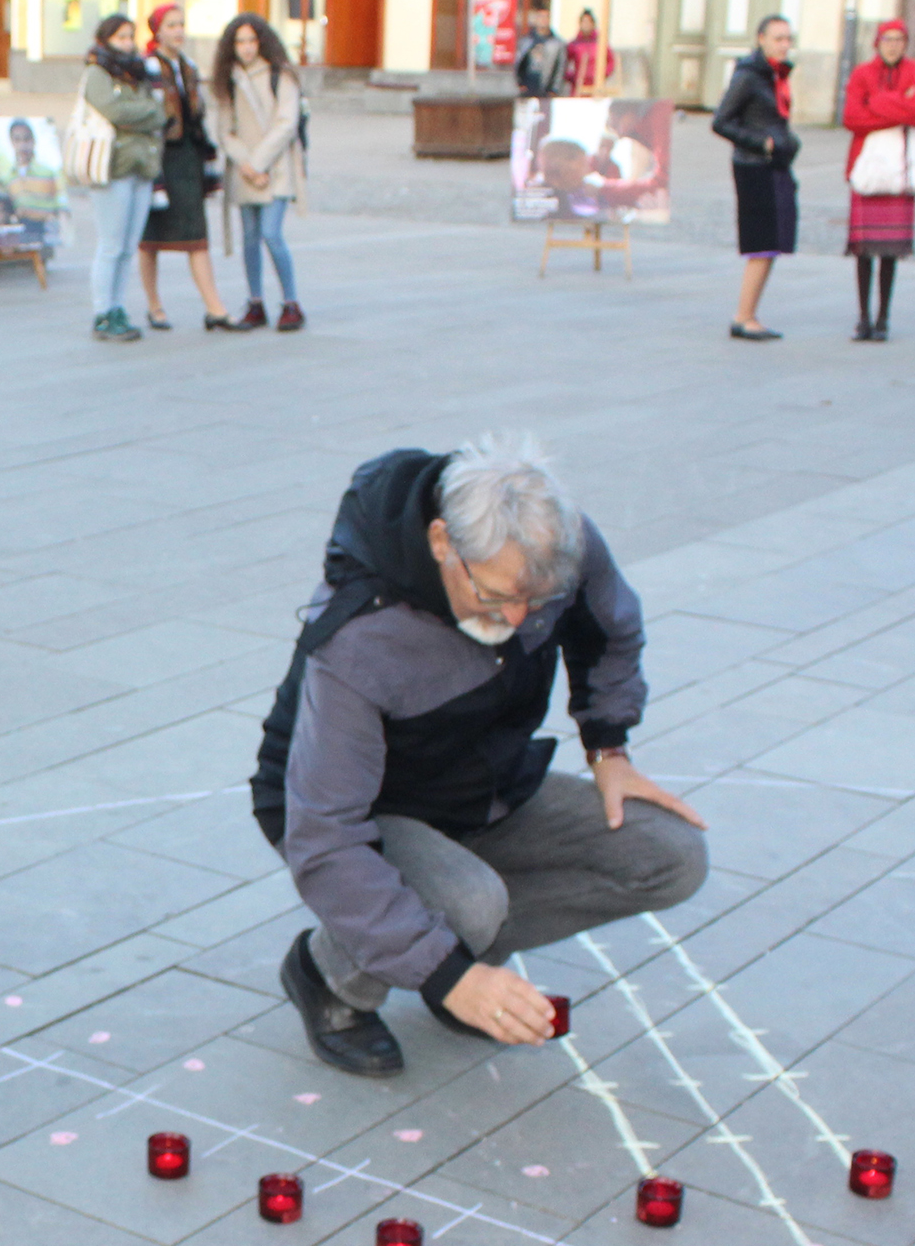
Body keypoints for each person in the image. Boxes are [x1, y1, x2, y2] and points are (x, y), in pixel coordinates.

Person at [252, 436, 709, 1077]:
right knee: (470, 902)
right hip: (365, 806)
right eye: (496, 598)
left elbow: (613, 628)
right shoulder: (361, 636)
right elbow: (326, 835)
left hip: (483, 781)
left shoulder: (554, 547)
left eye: (538, 601)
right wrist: (452, 979)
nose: (520, 618)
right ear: (443, 544)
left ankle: (447, 953)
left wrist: (609, 746)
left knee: (669, 857)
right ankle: (331, 977)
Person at [136, 3, 235, 331]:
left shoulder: (189, 66)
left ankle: (215, 309)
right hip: (159, 158)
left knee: (196, 233)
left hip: (189, 157)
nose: (178, 31)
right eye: (171, 25)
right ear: (158, 31)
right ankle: (154, 306)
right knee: (150, 237)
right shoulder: (147, 66)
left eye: (181, 25)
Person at [215, 12, 307, 332]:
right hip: (245, 169)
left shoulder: (281, 75)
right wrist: (246, 163)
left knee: (271, 232)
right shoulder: (228, 79)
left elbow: (286, 123)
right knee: (250, 238)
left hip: (276, 167)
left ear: (263, 40)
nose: (247, 48)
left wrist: (260, 163)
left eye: (252, 40)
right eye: (240, 41)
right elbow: (225, 130)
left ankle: (291, 302)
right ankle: (255, 302)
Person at [843, 18, 915, 342]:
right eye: (887, 39)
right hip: (866, 168)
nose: (893, 45)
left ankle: (883, 318)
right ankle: (863, 317)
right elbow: (852, 117)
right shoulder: (862, 73)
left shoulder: (914, 71)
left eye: (899, 39)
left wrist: (877, 103)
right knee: (864, 249)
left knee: (890, 249)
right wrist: (898, 104)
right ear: (877, 42)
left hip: (899, 169)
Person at [714, 14, 799, 341]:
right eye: (778, 38)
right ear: (760, 39)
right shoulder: (749, 76)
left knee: (773, 242)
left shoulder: (774, 76)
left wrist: (786, 143)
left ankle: (750, 314)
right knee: (761, 243)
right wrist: (760, 143)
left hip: (774, 164)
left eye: (788, 39)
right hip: (753, 165)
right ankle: (743, 316)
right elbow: (721, 121)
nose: (784, 44)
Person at [81, 13, 164, 341]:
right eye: (120, 38)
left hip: (142, 165)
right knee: (111, 244)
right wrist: (144, 114)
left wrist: (139, 115)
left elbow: (159, 111)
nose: (127, 44)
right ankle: (102, 312)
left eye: (130, 37)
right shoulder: (97, 72)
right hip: (111, 167)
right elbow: (113, 111)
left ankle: (117, 306)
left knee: (129, 246)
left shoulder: (138, 73)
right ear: (104, 41)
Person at [515, 8, 571, 99]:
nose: (543, 20)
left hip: (545, 89)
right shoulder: (526, 41)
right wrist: (519, 84)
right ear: (536, 19)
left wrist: (554, 90)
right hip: (527, 88)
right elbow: (518, 63)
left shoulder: (557, 44)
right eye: (541, 17)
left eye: (546, 17)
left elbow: (561, 68)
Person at [566, 9, 615, 95]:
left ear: (593, 24)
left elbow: (611, 62)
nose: (586, 25)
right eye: (584, 22)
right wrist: (572, 77)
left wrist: (603, 75)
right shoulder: (574, 44)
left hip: (596, 87)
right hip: (579, 87)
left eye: (588, 22)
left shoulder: (600, 44)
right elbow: (564, 62)